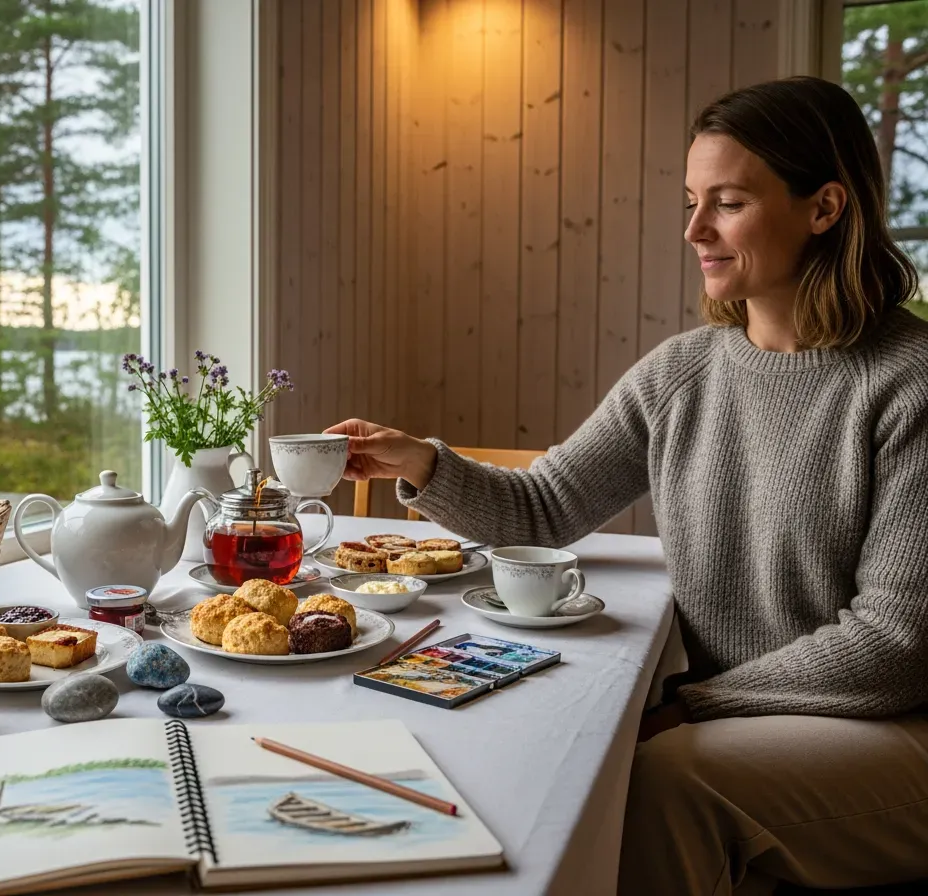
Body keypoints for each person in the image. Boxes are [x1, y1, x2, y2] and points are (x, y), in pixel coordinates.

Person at [325, 76, 928, 896]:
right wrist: (420, 464)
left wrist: (691, 706)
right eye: (691, 200)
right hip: (748, 713)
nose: (694, 229)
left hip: (891, 727)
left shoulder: (908, 385)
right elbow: (543, 508)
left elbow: (894, 647)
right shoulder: (683, 372)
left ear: (824, 208)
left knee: (669, 779)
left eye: (727, 202)